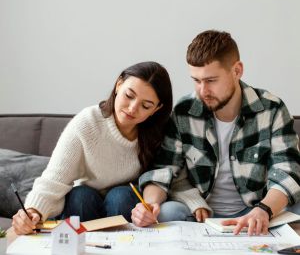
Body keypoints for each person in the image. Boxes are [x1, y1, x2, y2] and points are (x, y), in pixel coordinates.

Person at [131, 30, 300, 236]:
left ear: (237, 71)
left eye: (211, 80)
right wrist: (148, 206)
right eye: (196, 80)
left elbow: (288, 170)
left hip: (255, 208)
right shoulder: (184, 111)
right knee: (166, 212)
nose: (203, 91)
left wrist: (263, 210)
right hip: (201, 212)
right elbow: (165, 169)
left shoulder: (271, 109)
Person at [12, 61, 173, 235]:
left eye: (145, 106)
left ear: (157, 108)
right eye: (129, 95)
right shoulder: (87, 123)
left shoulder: (159, 133)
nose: (132, 108)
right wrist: (33, 211)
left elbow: (168, 175)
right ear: (119, 84)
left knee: (120, 195)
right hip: (84, 202)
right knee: (81, 195)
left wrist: (149, 206)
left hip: (125, 203)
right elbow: (54, 178)